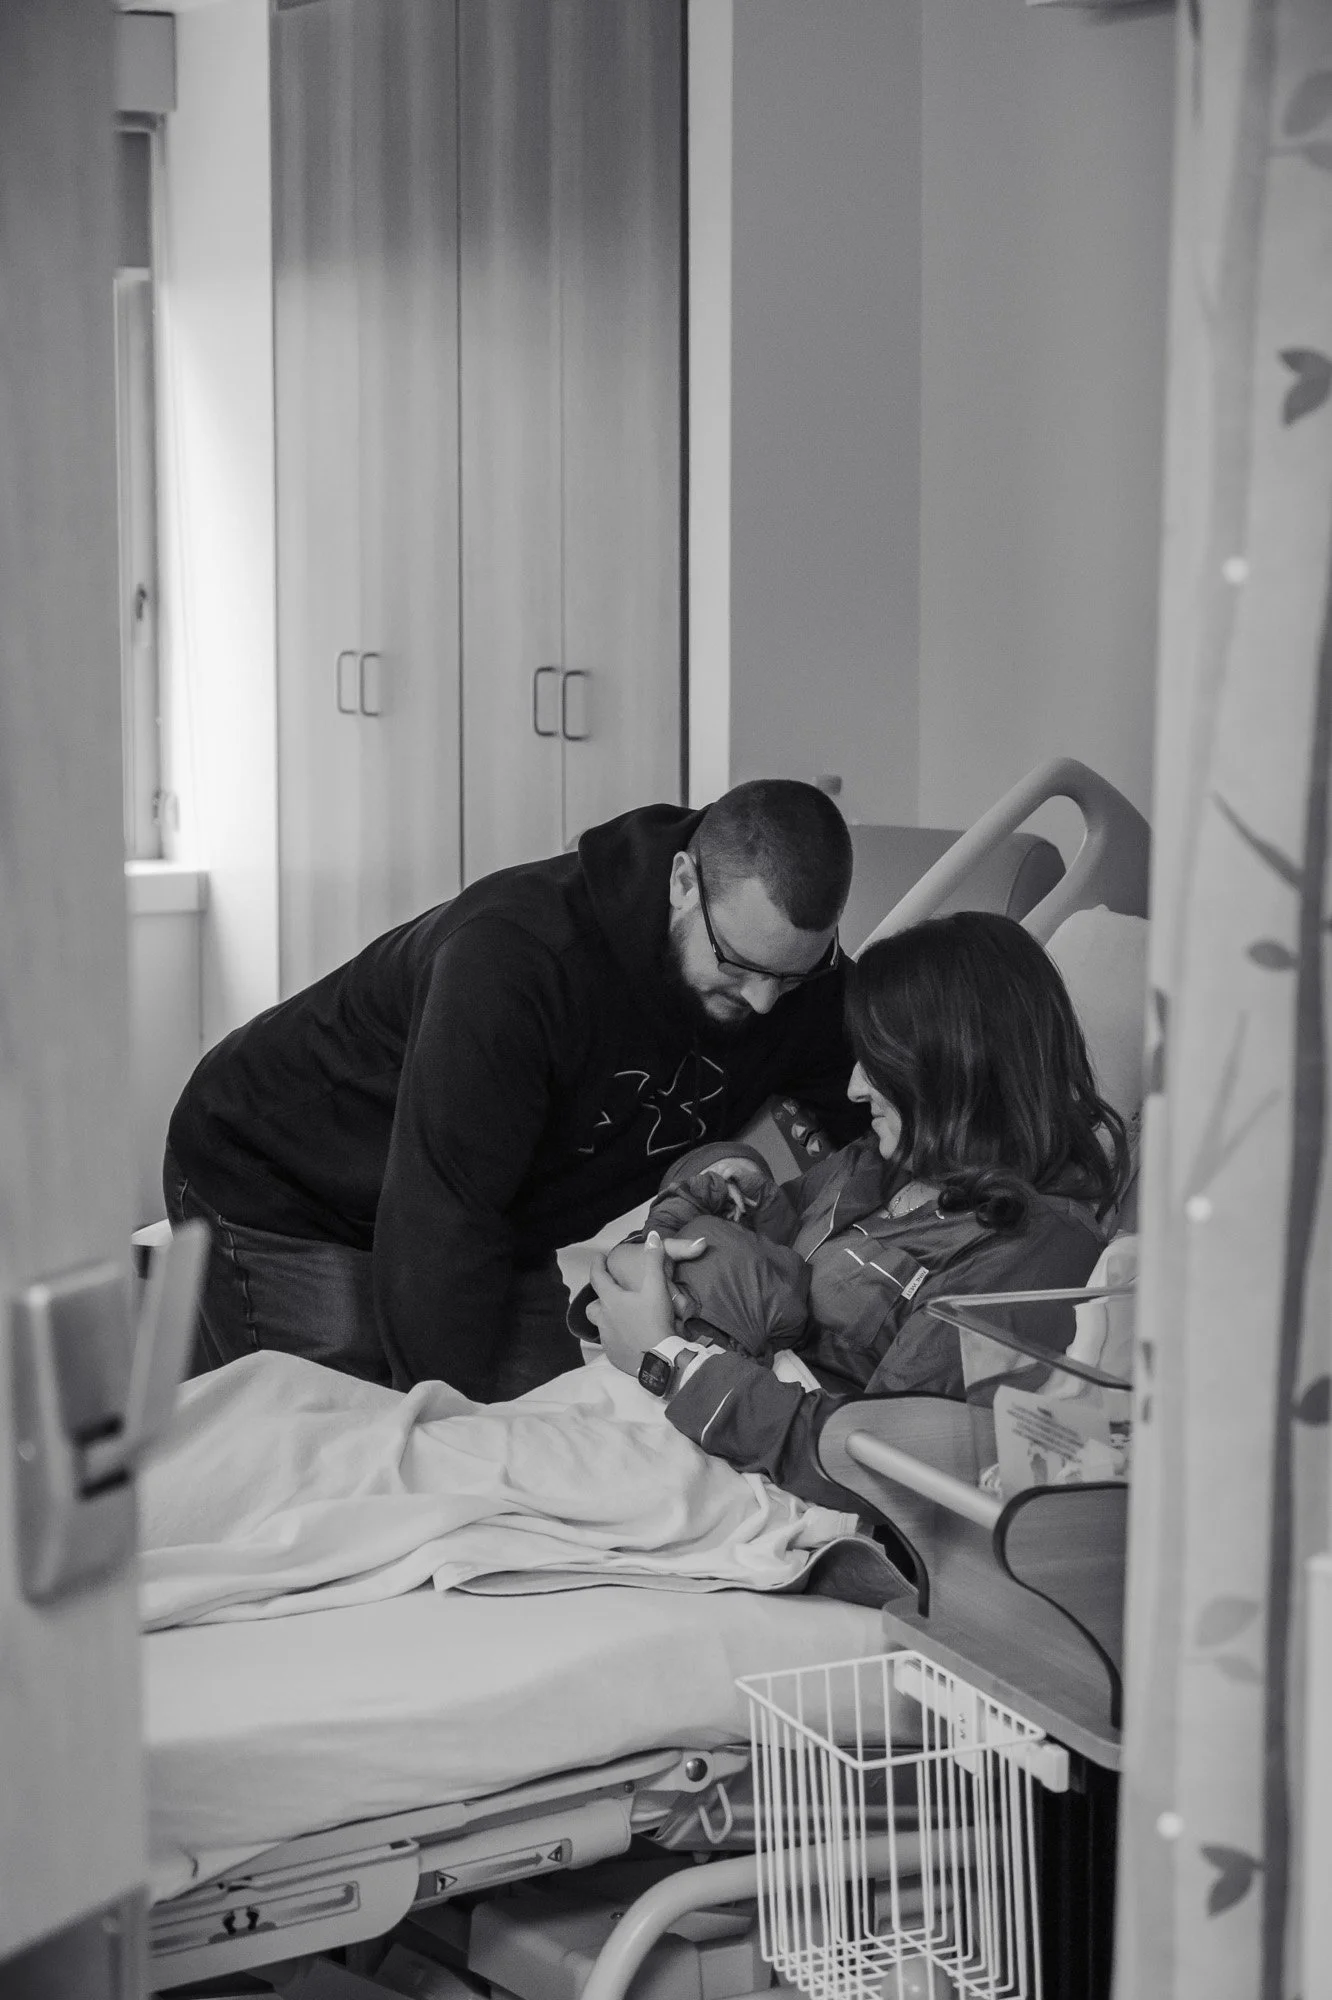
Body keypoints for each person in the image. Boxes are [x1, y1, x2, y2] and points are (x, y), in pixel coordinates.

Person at [164, 781, 866, 1400]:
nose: (767, 1002)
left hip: (492, 1210)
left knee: (548, 1442)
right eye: (738, 965)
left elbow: (877, 1124)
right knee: (351, 1457)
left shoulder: (797, 980)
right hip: (284, 1177)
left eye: (793, 976)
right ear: (683, 882)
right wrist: (450, 1434)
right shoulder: (518, 958)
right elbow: (438, 1217)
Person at [586, 911, 1130, 1508]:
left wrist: (670, 1361)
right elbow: (746, 1243)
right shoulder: (880, 1163)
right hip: (679, 1407)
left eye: (877, 1064)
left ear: (956, 1069)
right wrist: (707, 1199)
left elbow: (882, 1457)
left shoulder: (1034, 1251)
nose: (852, 1089)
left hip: (769, 1474)